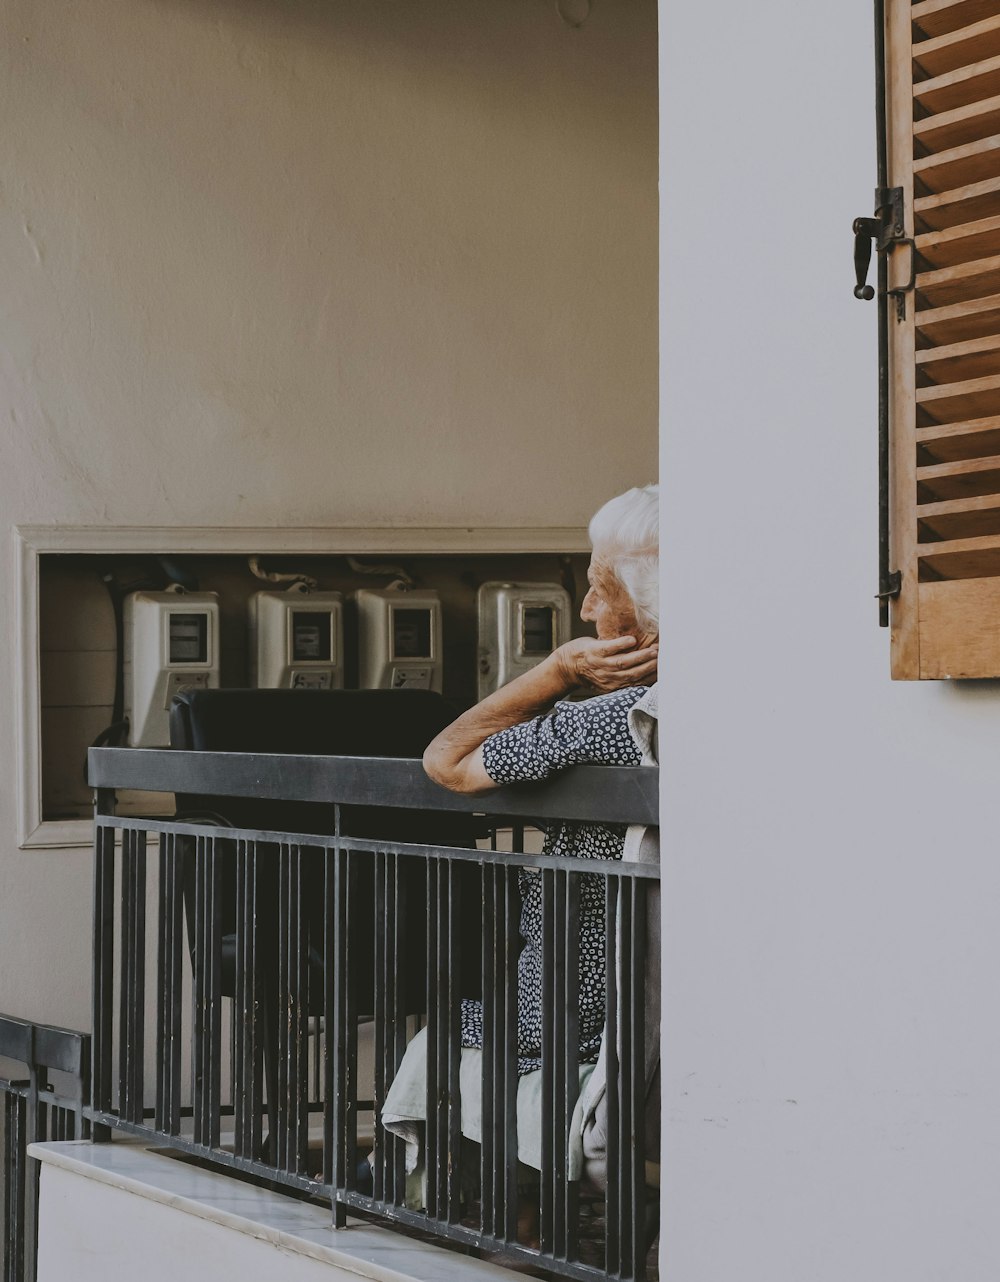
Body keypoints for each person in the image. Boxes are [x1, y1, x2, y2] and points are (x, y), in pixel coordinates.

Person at [423, 483, 659, 1074]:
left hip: (574, 1014)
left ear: (650, 610)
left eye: (600, 590)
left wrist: (558, 670)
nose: (584, 612)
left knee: (438, 1031)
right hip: (673, 996)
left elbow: (446, 762)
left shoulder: (616, 719)